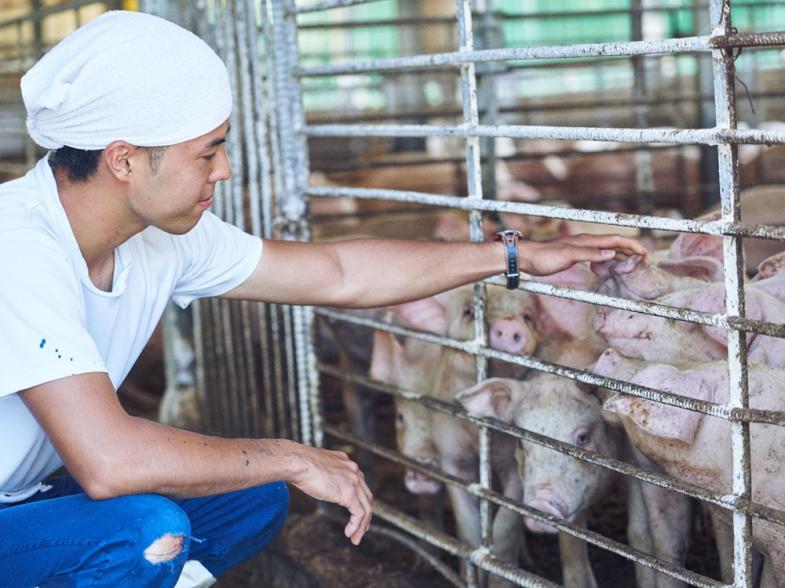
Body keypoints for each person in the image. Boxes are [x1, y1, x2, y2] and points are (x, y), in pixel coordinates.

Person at [0, 10, 647, 588]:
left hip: (29, 493)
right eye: (209, 152)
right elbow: (110, 462)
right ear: (123, 161)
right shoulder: (19, 247)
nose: (223, 170)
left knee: (252, 495)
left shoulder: (154, 237)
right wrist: (292, 454)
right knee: (146, 530)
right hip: (33, 498)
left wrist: (515, 257)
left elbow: (338, 271)